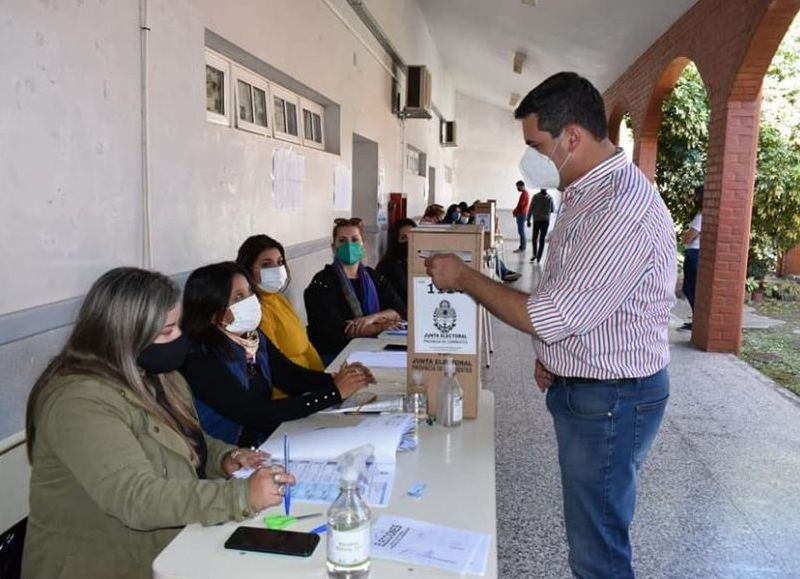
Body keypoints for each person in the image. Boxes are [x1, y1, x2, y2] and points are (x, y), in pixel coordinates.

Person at [424, 72, 676, 579]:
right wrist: (555, 358)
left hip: (612, 398)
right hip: (592, 384)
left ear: (572, 137)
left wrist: (465, 277)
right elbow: (569, 291)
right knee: (594, 525)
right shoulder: (584, 191)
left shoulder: (618, 208)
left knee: (597, 548)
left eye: (536, 144)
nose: (530, 158)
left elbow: (553, 315)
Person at [22, 267, 294, 579]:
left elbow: (181, 439)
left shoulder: (159, 376)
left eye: (176, 326)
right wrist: (240, 496)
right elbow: (137, 497)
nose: (180, 339)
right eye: (166, 332)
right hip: (102, 565)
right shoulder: (79, 403)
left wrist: (225, 457)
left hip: (169, 549)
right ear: (124, 336)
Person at [180, 262, 374, 447]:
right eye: (239, 297)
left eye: (249, 292)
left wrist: (336, 379)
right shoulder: (199, 359)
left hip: (260, 442)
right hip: (225, 457)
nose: (250, 300)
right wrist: (334, 393)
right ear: (212, 311)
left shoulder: (252, 337)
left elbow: (289, 376)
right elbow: (257, 412)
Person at [305, 217, 406, 363]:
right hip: (336, 354)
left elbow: (400, 310)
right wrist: (381, 326)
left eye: (354, 239)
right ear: (334, 247)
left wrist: (371, 319)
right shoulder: (323, 281)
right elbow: (335, 330)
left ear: (363, 245)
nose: (349, 245)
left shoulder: (373, 276)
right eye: (342, 241)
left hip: (374, 348)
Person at [236, 234, 324, 371]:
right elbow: (276, 367)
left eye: (280, 262)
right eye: (266, 264)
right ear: (248, 269)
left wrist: (325, 376)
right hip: (288, 387)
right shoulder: (255, 310)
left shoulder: (277, 298)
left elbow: (306, 345)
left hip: (308, 377)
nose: (277, 269)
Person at [376, 218, 417, 307]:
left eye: (412, 236)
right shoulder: (388, 266)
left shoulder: (421, 262)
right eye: (403, 238)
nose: (409, 241)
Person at [679, 185, 703, 331]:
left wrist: (685, 235)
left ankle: (697, 320)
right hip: (696, 253)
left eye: (697, 196)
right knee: (691, 288)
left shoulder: (700, 217)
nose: (695, 198)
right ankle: (696, 319)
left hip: (694, 253)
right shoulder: (703, 215)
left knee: (690, 288)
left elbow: (688, 238)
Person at [527, 187, 555, 264]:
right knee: (540, 239)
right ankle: (537, 256)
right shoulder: (549, 198)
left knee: (536, 238)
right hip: (544, 221)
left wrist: (529, 220)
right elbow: (552, 210)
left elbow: (531, 208)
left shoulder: (536, 197)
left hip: (538, 220)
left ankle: (536, 255)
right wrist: (528, 219)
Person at [512, 180, 530, 253]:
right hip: (522, 214)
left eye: (518, 187)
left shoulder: (524, 194)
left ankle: (522, 247)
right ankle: (522, 246)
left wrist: (516, 211)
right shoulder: (524, 194)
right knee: (521, 231)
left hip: (522, 214)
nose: (517, 188)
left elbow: (521, 206)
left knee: (521, 231)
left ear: (522, 186)